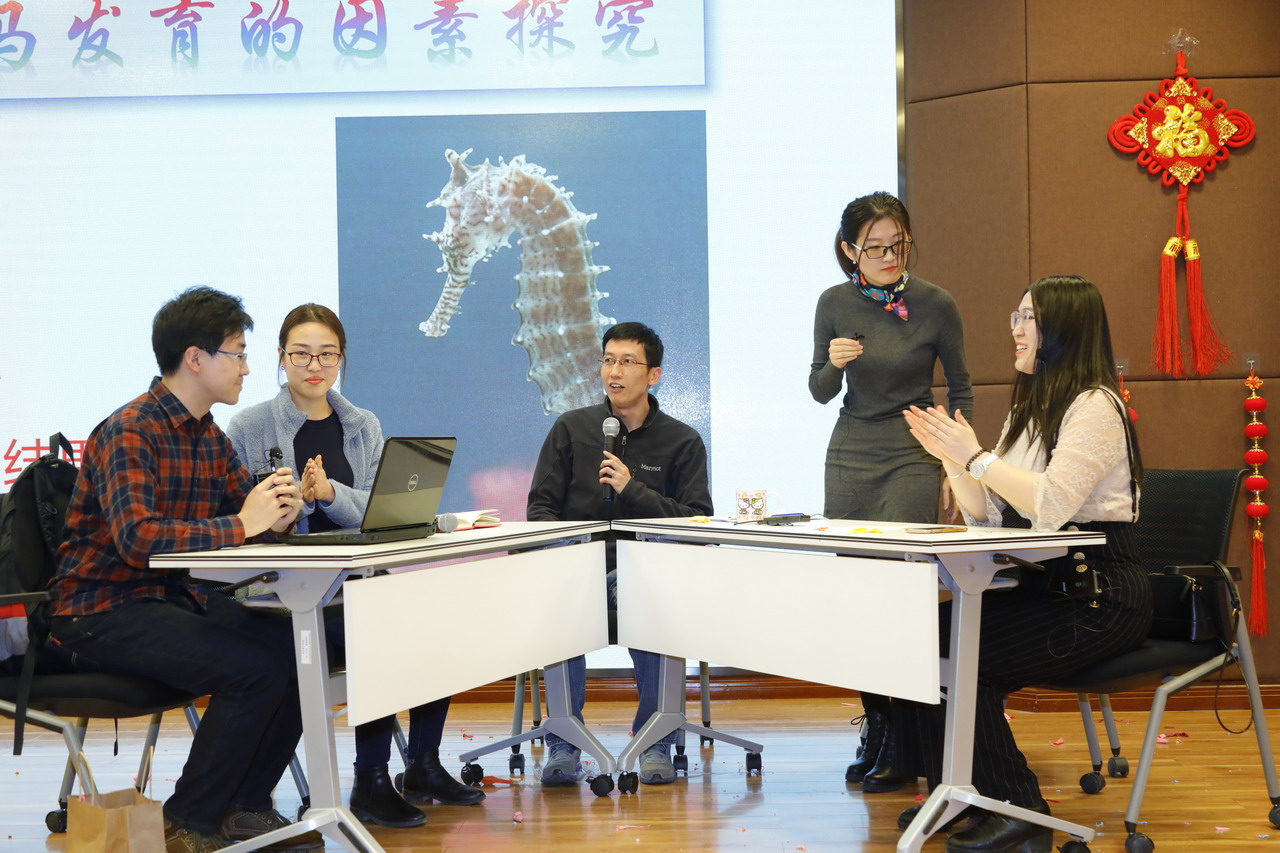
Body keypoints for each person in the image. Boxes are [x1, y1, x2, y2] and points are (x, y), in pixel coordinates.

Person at [46, 286, 322, 853]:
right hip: (99, 610)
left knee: (296, 649)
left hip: (170, 601)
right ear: (196, 358)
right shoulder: (130, 431)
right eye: (238, 354)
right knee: (252, 668)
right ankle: (186, 823)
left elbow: (250, 518)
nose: (247, 368)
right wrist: (243, 523)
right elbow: (138, 540)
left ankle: (244, 808)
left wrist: (282, 513)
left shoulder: (209, 437)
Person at [896, 275, 1152, 852]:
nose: (1015, 329)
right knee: (923, 639)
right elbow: (988, 519)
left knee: (962, 658)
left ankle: (1019, 810)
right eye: (1015, 317)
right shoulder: (1031, 407)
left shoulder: (1096, 405)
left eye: (1027, 318)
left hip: (1098, 595)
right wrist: (954, 460)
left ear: (1062, 327)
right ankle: (961, 795)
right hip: (1043, 586)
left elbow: (1052, 506)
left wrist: (976, 458)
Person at [227, 303, 484, 829]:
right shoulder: (249, 426)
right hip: (284, 590)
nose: (314, 366)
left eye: (327, 354)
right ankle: (371, 780)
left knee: (437, 620)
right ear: (281, 357)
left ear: (341, 359)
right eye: (301, 354)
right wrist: (293, 507)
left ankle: (423, 765)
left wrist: (328, 493)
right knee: (380, 626)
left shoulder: (362, 424)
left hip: (356, 580)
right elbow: (238, 518)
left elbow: (375, 509)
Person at [809, 191, 973, 791]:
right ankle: (877, 726)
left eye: (897, 245)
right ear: (849, 250)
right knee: (858, 597)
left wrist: (958, 465)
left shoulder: (935, 303)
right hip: (851, 451)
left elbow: (960, 387)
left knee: (903, 594)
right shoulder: (834, 302)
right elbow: (819, 391)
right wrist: (833, 363)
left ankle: (907, 738)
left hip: (913, 448)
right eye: (874, 247)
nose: (887, 257)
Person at [527, 321, 712, 787]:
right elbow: (541, 508)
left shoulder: (682, 441)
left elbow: (697, 522)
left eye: (628, 362)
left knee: (649, 592)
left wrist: (633, 490)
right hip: (578, 569)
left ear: (653, 375)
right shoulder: (571, 429)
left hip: (646, 574)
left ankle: (654, 737)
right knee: (558, 594)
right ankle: (564, 739)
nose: (614, 371)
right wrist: (563, 553)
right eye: (608, 360)